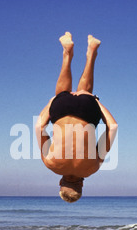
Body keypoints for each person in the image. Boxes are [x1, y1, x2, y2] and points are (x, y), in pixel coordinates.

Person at [36, 32, 118, 203]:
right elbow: (39, 127)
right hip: (61, 111)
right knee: (61, 94)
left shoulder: (92, 168)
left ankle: (92, 52)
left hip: (87, 112)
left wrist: (95, 101)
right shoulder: (50, 164)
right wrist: (51, 102)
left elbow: (113, 127)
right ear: (60, 182)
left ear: (82, 185)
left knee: (85, 93)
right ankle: (67, 53)